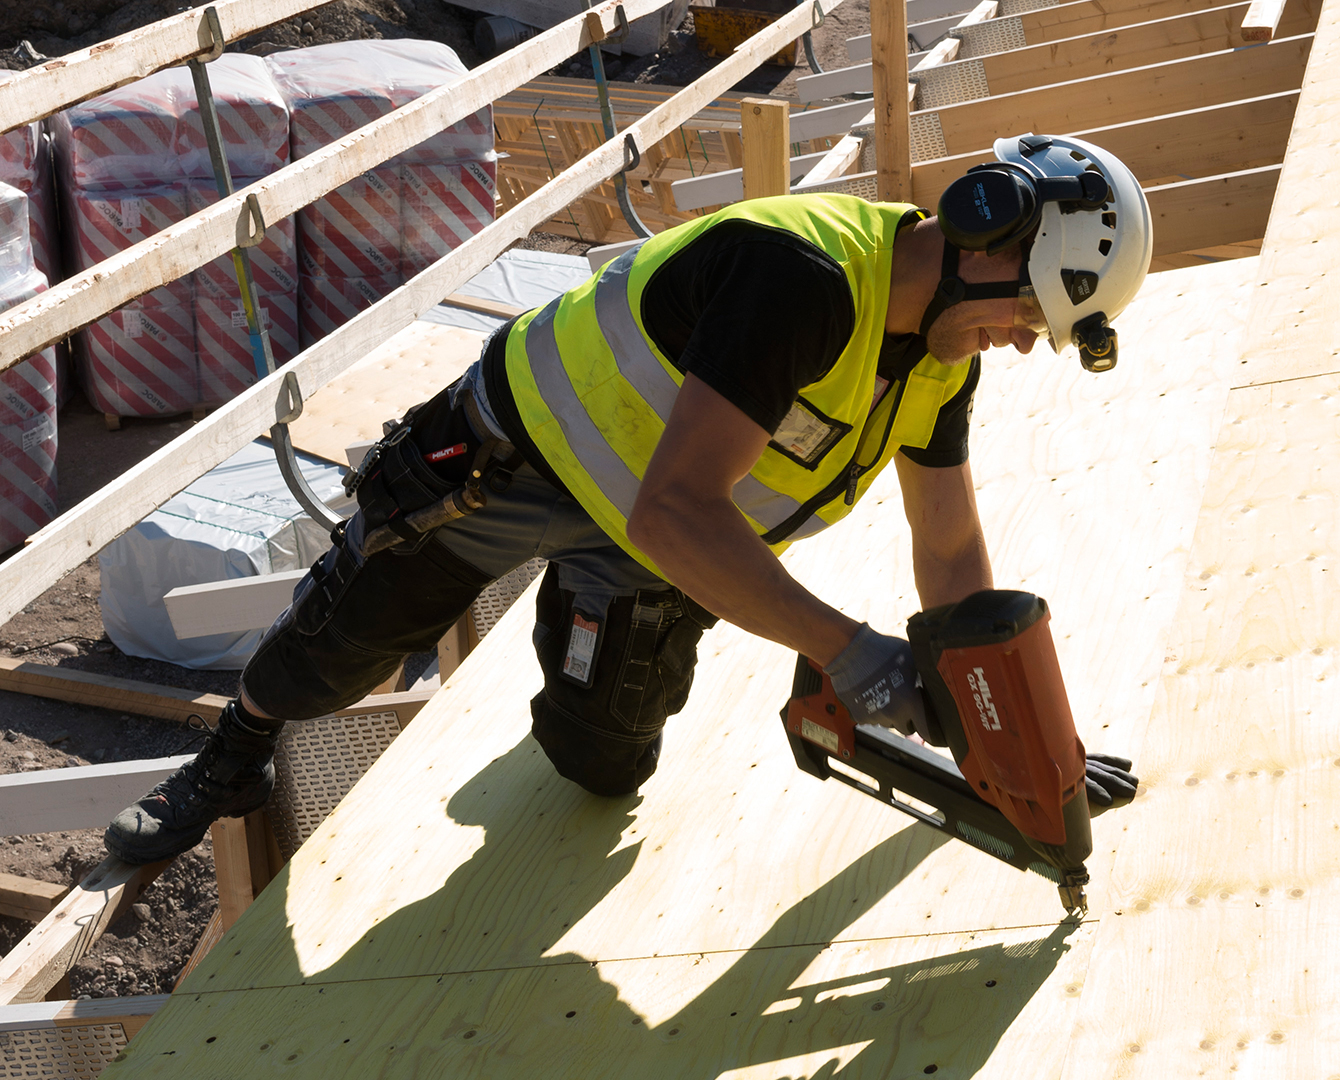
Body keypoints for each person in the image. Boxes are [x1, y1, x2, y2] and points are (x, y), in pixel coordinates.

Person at [105, 133, 1151, 865]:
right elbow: (677, 512)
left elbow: (952, 542)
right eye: (1030, 310)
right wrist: (852, 649)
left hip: (648, 534)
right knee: (344, 651)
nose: (1023, 339)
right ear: (990, 233)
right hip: (512, 467)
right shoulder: (805, 281)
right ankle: (231, 752)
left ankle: (578, 600)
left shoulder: (941, 358)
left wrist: (1006, 729)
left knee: (606, 765)